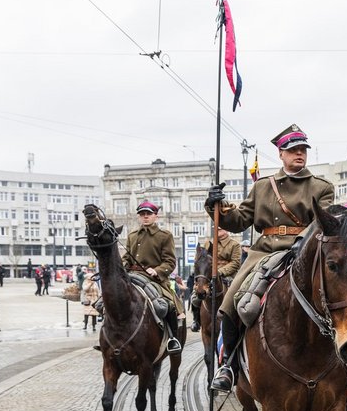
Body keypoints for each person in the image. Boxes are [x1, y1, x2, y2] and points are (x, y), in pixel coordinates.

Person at [205, 124, 334, 393]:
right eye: (293, 150)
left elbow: (324, 223)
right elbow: (239, 220)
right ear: (281, 154)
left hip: (305, 254)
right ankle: (228, 364)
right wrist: (217, 205)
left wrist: (300, 247)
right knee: (231, 303)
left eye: (303, 150)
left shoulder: (321, 187)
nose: (299, 154)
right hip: (264, 253)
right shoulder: (264, 187)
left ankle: (342, 365)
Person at [122, 200, 183, 353]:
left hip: (154, 279)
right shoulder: (132, 236)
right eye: (142, 214)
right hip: (132, 276)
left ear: (156, 216)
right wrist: (121, 266)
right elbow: (127, 258)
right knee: (109, 300)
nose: (145, 217)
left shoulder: (164, 236)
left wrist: (157, 271)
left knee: (165, 305)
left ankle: (172, 338)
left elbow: (170, 262)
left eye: (149, 214)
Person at [190, 228, 242, 332]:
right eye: (216, 230)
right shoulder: (208, 244)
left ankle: (238, 320)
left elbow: (235, 263)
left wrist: (220, 272)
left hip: (227, 274)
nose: (217, 231)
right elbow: (201, 260)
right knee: (195, 294)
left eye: (220, 230)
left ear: (226, 231)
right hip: (208, 274)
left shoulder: (234, 244)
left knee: (237, 294)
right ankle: (196, 320)